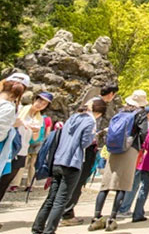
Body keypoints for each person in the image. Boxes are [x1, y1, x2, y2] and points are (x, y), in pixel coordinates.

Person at [33, 99, 105, 234]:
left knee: (51, 198)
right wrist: (93, 137)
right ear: (99, 112)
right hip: (72, 162)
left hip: (58, 159)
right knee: (61, 200)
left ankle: (37, 228)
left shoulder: (73, 117)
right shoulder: (90, 121)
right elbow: (84, 143)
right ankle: (49, 230)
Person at [88, 90, 148, 232]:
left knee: (106, 184)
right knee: (122, 185)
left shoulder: (120, 111)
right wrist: (140, 145)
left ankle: (96, 218)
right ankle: (112, 218)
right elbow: (144, 132)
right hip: (129, 149)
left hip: (114, 149)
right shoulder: (140, 114)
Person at [61, 83, 118, 227]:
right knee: (77, 180)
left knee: (74, 181)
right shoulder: (97, 105)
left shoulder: (90, 102)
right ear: (111, 94)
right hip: (85, 149)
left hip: (78, 148)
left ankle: (65, 211)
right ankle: (67, 213)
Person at [1, 89, 50, 201]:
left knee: (5, 183)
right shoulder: (19, 110)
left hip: (23, 150)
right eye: (39, 101)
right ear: (34, 100)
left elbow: (34, 139)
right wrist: (22, 122)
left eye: (44, 104)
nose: (40, 105)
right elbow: (8, 123)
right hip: (8, 149)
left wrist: (36, 131)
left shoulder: (39, 118)